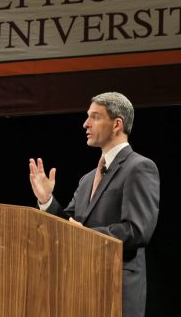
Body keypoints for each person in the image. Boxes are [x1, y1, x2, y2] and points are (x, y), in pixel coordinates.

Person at [28, 92, 160, 317]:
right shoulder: (87, 179)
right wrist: (47, 201)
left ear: (117, 124)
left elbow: (137, 231)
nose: (85, 124)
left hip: (116, 291)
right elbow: (67, 228)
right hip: (80, 291)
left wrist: (86, 235)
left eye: (95, 117)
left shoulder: (139, 167)